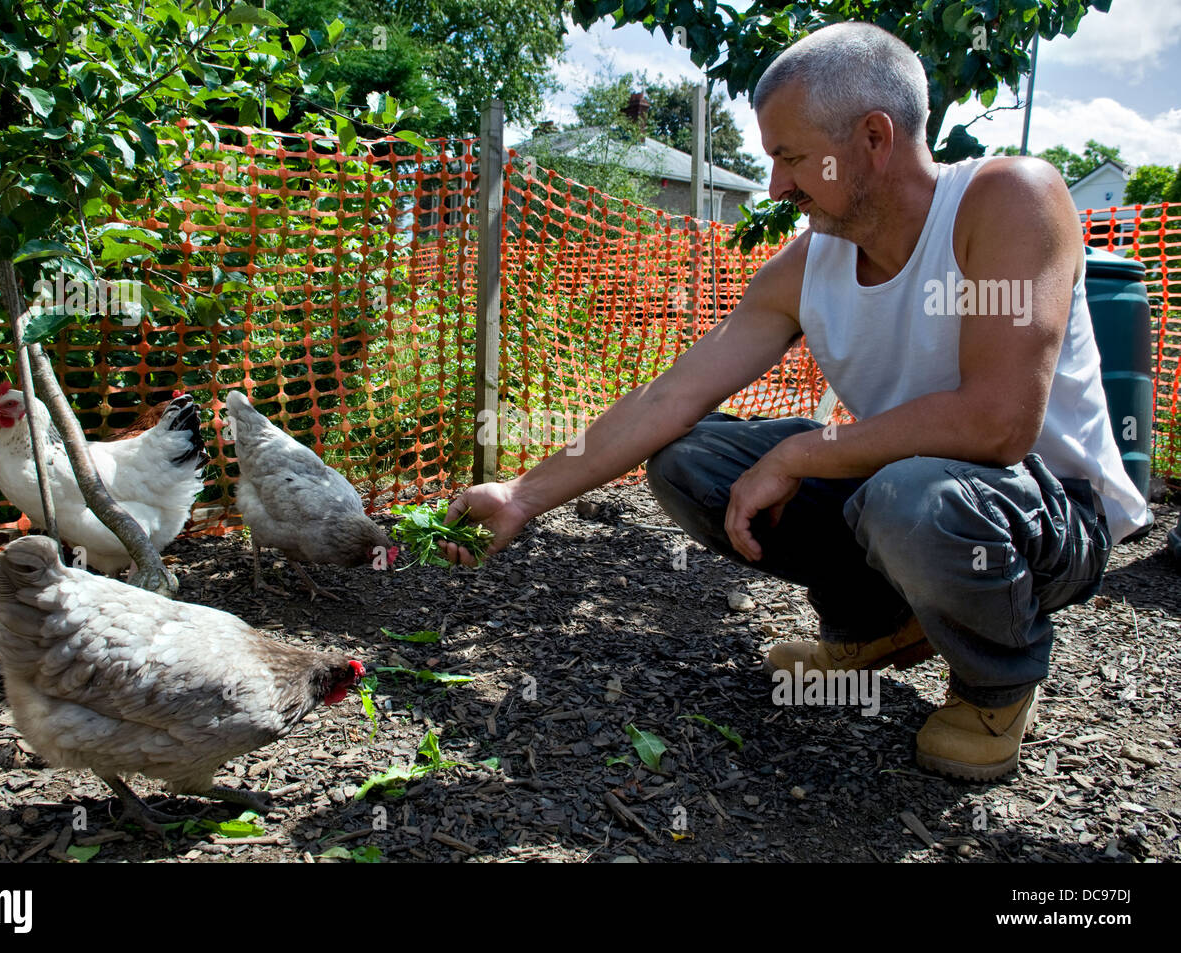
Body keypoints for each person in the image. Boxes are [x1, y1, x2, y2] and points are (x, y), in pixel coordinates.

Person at [437, 22, 1150, 781]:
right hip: (908, 497)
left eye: (791, 158)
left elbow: (1000, 422)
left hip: (1046, 517)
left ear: (873, 137)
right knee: (693, 459)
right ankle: (879, 625)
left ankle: (996, 680)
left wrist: (804, 450)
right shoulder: (809, 265)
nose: (776, 185)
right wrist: (522, 495)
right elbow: (672, 396)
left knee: (913, 496)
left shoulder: (1009, 200)